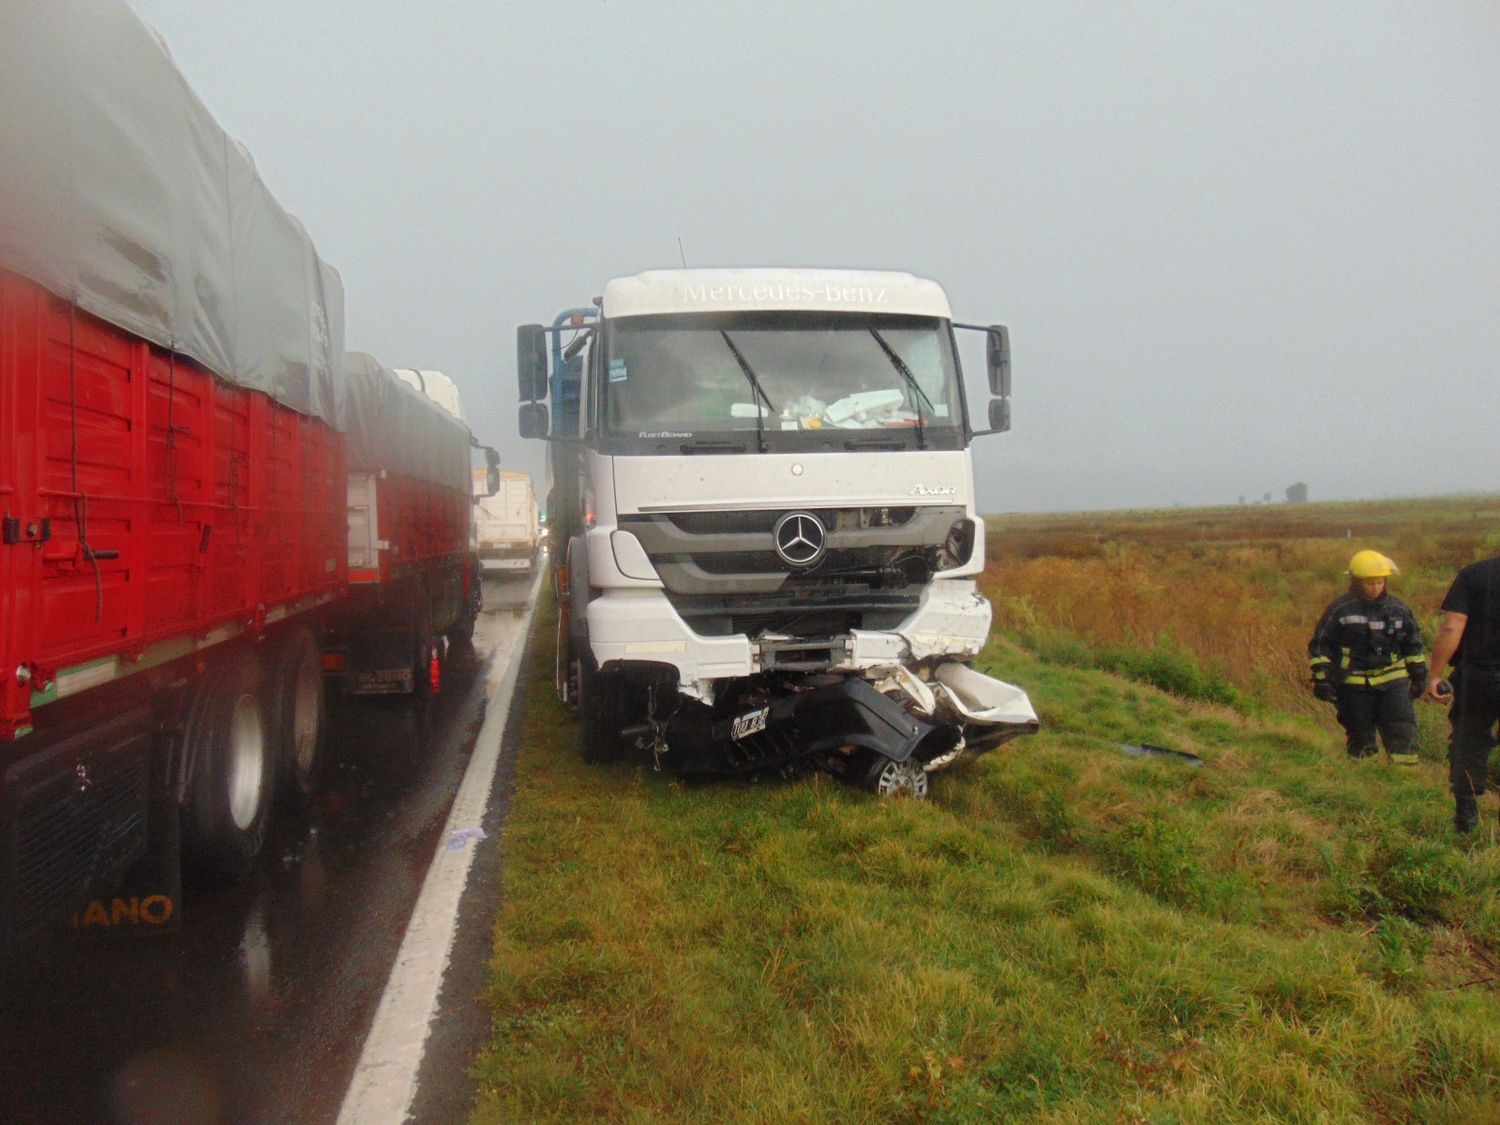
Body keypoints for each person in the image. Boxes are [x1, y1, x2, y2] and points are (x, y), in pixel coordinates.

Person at [1307, 550, 1427, 764]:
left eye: (1380, 582)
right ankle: (1367, 786)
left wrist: (1419, 677)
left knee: (1403, 733)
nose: (1375, 588)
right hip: (1353, 685)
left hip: (1393, 683)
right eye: (1370, 583)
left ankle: (1406, 786)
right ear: (1356, 582)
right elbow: (1320, 646)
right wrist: (1322, 679)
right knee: (1361, 740)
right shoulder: (1340, 610)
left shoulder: (1398, 609)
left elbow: (1413, 645)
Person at [1422, 554, 1500, 833]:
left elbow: (1453, 625)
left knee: (1468, 743)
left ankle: (1466, 820)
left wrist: (1434, 676)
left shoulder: (1474, 574)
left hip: (1477, 679)